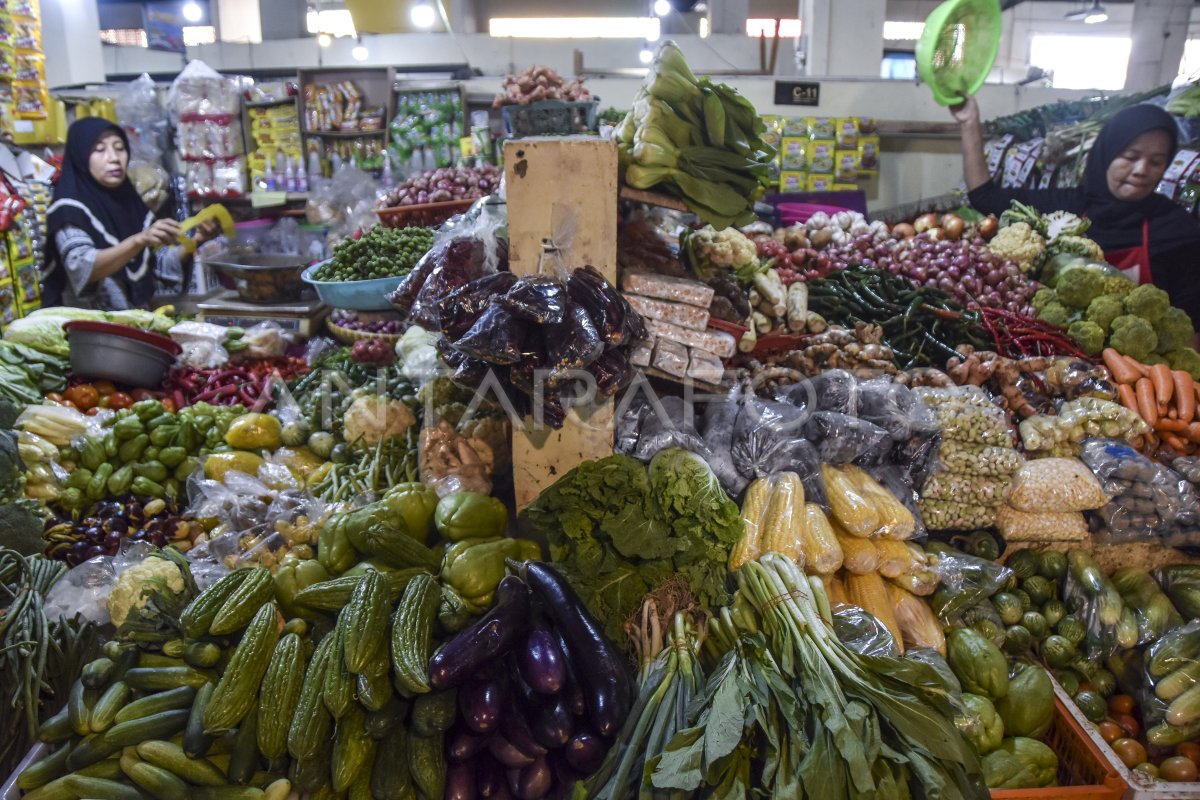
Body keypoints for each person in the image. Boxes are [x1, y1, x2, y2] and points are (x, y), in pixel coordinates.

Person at [953, 96, 1200, 325]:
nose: (1141, 170)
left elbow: (1193, 317)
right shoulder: (1067, 208)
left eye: (1156, 162)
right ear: (1107, 153)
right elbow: (985, 196)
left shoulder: (1175, 228)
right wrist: (969, 123)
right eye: (1131, 156)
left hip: (1144, 368)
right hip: (1063, 357)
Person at [43, 117, 219, 309]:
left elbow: (159, 265)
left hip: (134, 324)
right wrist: (138, 240)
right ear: (80, 156)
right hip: (90, 330)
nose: (114, 158)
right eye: (100, 150)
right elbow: (83, 267)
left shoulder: (129, 203)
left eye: (119, 148)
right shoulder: (68, 210)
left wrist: (198, 239)